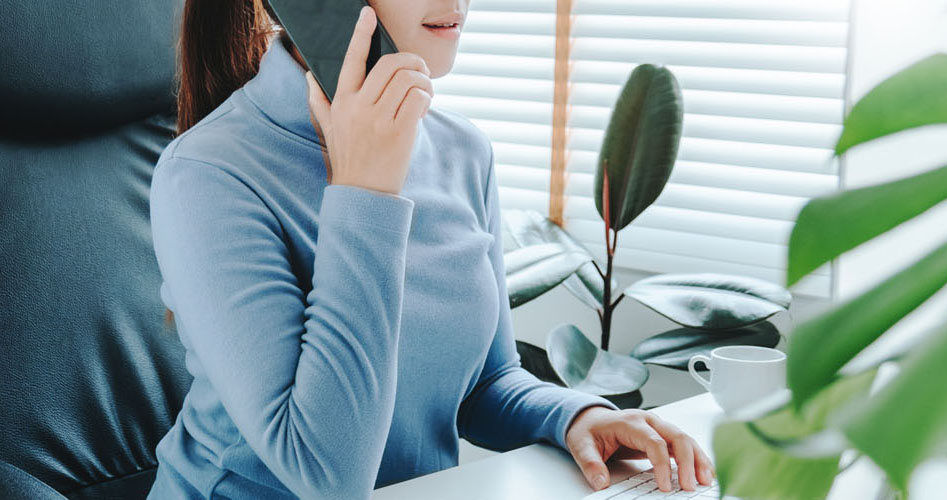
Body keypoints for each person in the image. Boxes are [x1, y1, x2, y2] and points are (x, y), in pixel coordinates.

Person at [145, 0, 714, 498]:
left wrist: (574, 417)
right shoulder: (206, 175)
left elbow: (485, 383)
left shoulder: (462, 150)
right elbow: (327, 474)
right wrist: (365, 191)